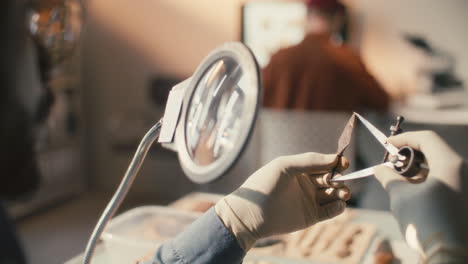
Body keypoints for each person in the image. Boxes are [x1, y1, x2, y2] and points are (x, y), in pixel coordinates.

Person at [141, 131, 468, 264]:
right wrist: (449, 252)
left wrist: (228, 226)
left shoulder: (279, 57)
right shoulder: (348, 63)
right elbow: (377, 98)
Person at [262, 0, 389, 112]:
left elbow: (255, 98)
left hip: (280, 139)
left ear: (307, 16)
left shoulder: (279, 58)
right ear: (339, 19)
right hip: (335, 139)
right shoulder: (349, 59)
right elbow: (381, 102)